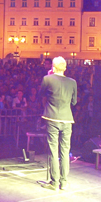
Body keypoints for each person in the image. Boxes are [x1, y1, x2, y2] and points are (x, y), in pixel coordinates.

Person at [39, 56, 77, 190]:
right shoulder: (72, 82)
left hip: (52, 118)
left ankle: (54, 183)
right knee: (65, 152)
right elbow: (74, 102)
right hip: (67, 119)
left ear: (53, 67)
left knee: (53, 151)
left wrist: (49, 76)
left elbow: (41, 94)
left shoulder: (47, 79)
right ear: (65, 68)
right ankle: (64, 182)